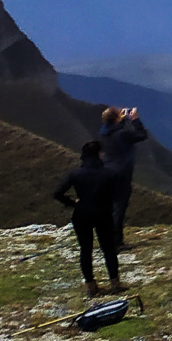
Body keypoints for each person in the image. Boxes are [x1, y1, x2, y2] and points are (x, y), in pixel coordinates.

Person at [53, 141, 124, 296]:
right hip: (103, 214)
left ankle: (91, 286)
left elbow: (57, 193)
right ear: (99, 153)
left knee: (86, 250)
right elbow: (119, 195)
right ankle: (115, 283)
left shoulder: (76, 174)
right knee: (109, 249)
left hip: (82, 214)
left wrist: (73, 203)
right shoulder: (109, 173)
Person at [98, 106, 150, 249]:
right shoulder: (121, 134)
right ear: (116, 118)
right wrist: (135, 119)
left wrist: (122, 120)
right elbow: (141, 135)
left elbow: (115, 130)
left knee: (109, 207)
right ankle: (116, 242)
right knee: (119, 207)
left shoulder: (104, 133)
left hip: (106, 171)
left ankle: (106, 239)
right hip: (121, 173)